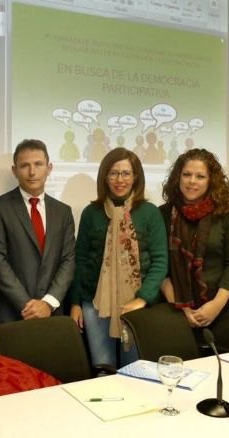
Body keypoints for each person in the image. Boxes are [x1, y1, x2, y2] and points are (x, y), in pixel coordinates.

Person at [69, 148, 168, 367]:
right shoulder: (91, 212)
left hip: (137, 304)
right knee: (103, 366)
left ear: (136, 178)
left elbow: (160, 261)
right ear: (104, 177)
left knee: (134, 368)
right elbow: (81, 260)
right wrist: (75, 302)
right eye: (113, 173)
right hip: (95, 303)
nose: (119, 179)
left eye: (126, 173)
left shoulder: (150, 213)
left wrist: (142, 299)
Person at [159, 148, 229, 352]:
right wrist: (182, 309)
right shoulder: (162, 214)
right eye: (187, 174)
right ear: (177, 178)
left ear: (210, 181)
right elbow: (160, 267)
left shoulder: (226, 213)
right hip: (175, 309)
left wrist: (215, 306)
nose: (192, 181)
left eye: (200, 176)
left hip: (219, 308)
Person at [0, 139, 76, 325]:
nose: (32, 172)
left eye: (38, 164)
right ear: (14, 170)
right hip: (11, 314)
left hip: (53, 314)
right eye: (25, 165)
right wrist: (29, 306)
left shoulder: (63, 211)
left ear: (49, 168)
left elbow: (68, 260)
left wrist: (48, 304)